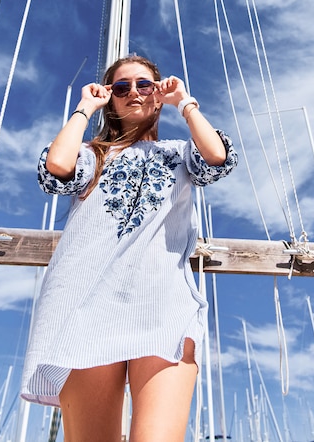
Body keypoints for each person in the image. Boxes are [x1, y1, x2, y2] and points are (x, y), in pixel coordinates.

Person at [21, 54, 238, 442]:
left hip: (163, 305)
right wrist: (86, 107)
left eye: (144, 85)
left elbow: (216, 156)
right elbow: (57, 166)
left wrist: (184, 102)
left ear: (158, 93)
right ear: (111, 99)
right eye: (121, 88)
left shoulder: (180, 154)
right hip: (85, 307)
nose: (133, 93)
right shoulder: (91, 155)